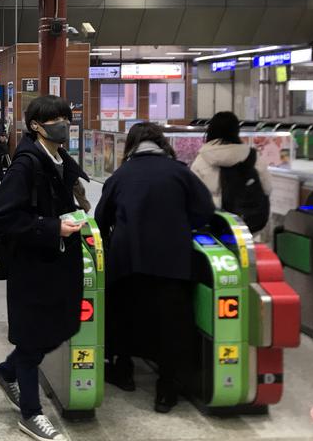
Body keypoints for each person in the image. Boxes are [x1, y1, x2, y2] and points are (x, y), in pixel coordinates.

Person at [95, 122, 215, 413]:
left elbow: (100, 218)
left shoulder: (121, 175)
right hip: (172, 262)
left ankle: (123, 371)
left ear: (131, 146)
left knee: (122, 315)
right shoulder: (180, 172)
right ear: (161, 144)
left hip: (127, 261)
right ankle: (167, 390)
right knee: (171, 325)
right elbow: (204, 213)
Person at [0, 95, 89, 441]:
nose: (64, 122)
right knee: (32, 339)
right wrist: (51, 228)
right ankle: (31, 414)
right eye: (56, 118)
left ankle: (6, 370)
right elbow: (4, 217)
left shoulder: (59, 158)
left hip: (58, 262)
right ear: (35, 126)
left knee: (62, 327)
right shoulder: (26, 165)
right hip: (32, 265)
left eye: (67, 115)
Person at [191, 111, 273, 209]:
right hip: (250, 219)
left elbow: (194, 196)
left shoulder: (202, 159)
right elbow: (267, 188)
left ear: (211, 131)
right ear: (236, 131)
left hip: (216, 219)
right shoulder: (252, 156)